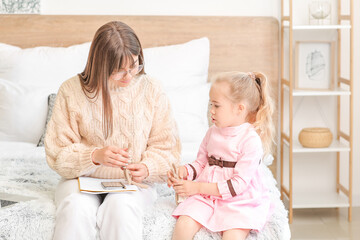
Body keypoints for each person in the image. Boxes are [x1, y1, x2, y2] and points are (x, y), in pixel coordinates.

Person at [45, 21, 181, 240]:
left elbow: (167, 149)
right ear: (100, 65)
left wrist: (147, 167)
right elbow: (57, 153)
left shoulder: (152, 90)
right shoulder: (71, 91)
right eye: (119, 71)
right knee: (75, 209)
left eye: (134, 66)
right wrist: (94, 156)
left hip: (133, 184)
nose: (128, 76)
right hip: (80, 181)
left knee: (121, 209)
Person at [168, 71, 274, 240]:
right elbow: (201, 163)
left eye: (217, 106)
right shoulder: (212, 132)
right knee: (184, 223)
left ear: (239, 108)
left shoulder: (250, 140)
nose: (211, 111)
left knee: (233, 235)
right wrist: (185, 171)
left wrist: (195, 188)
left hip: (239, 201)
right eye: (211, 104)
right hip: (207, 195)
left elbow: (238, 185)